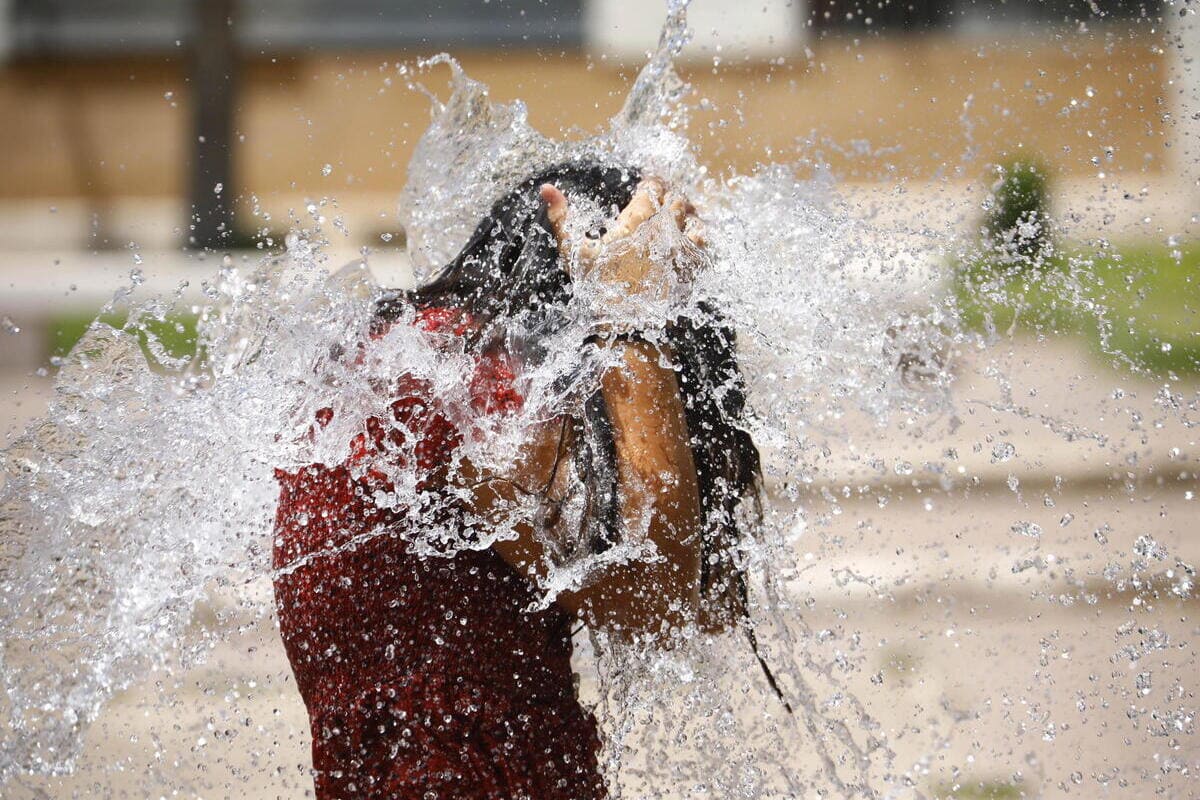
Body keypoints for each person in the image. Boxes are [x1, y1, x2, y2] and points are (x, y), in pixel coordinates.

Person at [271, 162, 770, 799]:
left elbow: (710, 599)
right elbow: (659, 602)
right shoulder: (480, 395)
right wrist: (630, 316)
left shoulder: (384, 357)